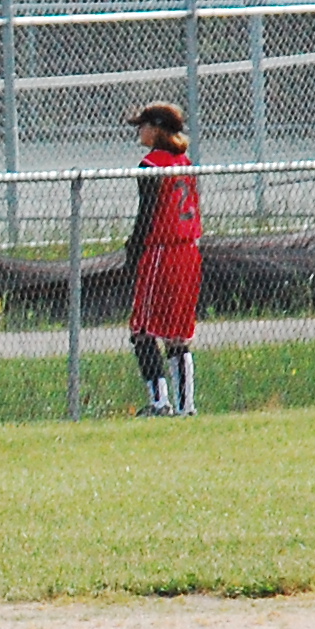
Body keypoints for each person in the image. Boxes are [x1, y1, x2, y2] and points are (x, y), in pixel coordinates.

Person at [123, 101, 203, 416]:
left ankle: (160, 401)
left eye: (143, 126)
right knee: (177, 335)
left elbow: (146, 215)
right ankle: (186, 405)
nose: (139, 132)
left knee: (142, 331)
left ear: (156, 129)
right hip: (189, 251)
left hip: (161, 250)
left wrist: (133, 250)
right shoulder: (185, 162)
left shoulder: (151, 165)